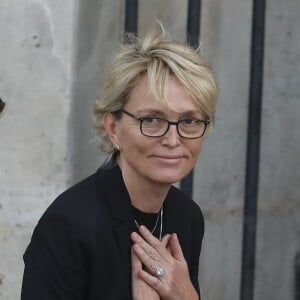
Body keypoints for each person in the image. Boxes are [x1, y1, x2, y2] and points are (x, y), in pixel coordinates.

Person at [21, 25, 217, 300]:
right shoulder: (69, 224)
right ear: (113, 128)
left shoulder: (187, 217)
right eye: (152, 120)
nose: (173, 139)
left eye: (189, 121)